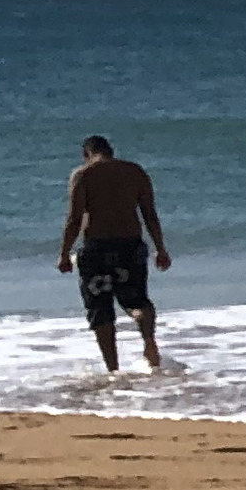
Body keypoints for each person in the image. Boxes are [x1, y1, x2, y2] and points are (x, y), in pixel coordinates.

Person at [56, 134, 174, 375]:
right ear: (111, 150)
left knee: (100, 310)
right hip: (130, 246)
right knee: (137, 301)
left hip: (96, 248)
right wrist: (160, 249)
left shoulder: (82, 175)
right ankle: (149, 341)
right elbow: (149, 215)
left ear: (86, 154)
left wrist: (64, 253)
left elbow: (75, 218)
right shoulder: (135, 172)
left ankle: (113, 370)